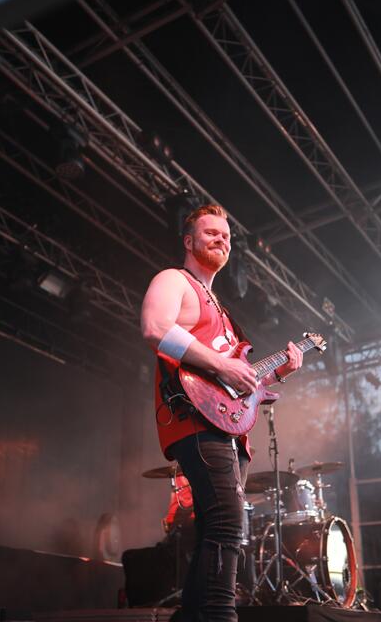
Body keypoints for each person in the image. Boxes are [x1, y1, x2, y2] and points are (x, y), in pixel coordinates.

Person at [141, 204, 303, 622]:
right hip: (195, 420)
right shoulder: (173, 280)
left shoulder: (224, 313)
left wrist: (277, 373)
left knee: (216, 531)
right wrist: (221, 365)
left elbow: (235, 382)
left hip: (227, 426)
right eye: (211, 232)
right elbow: (155, 328)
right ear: (188, 241)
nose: (221, 240)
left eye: (226, 236)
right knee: (229, 525)